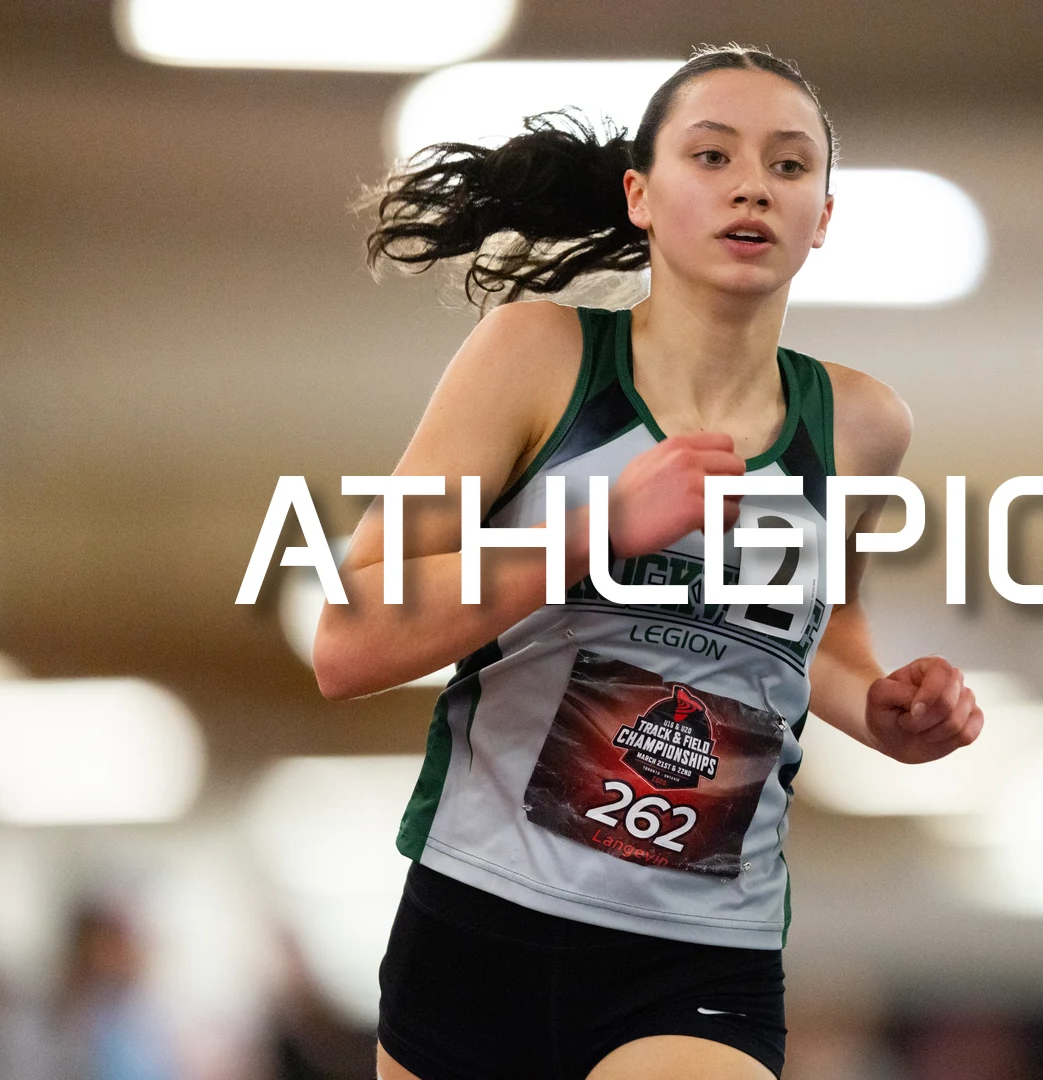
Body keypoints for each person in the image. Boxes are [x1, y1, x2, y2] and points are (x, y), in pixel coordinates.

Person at [314, 43, 986, 1080]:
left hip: (700, 947)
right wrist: (596, 528)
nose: (752, 187)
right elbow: (348, 641)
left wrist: (883, 708)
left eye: (787, 165)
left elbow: (818, 634)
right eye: (712, 157)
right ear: (640, 194)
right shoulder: (537, 357)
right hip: (482, 919)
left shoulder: (858, 425)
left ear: (821, 218)